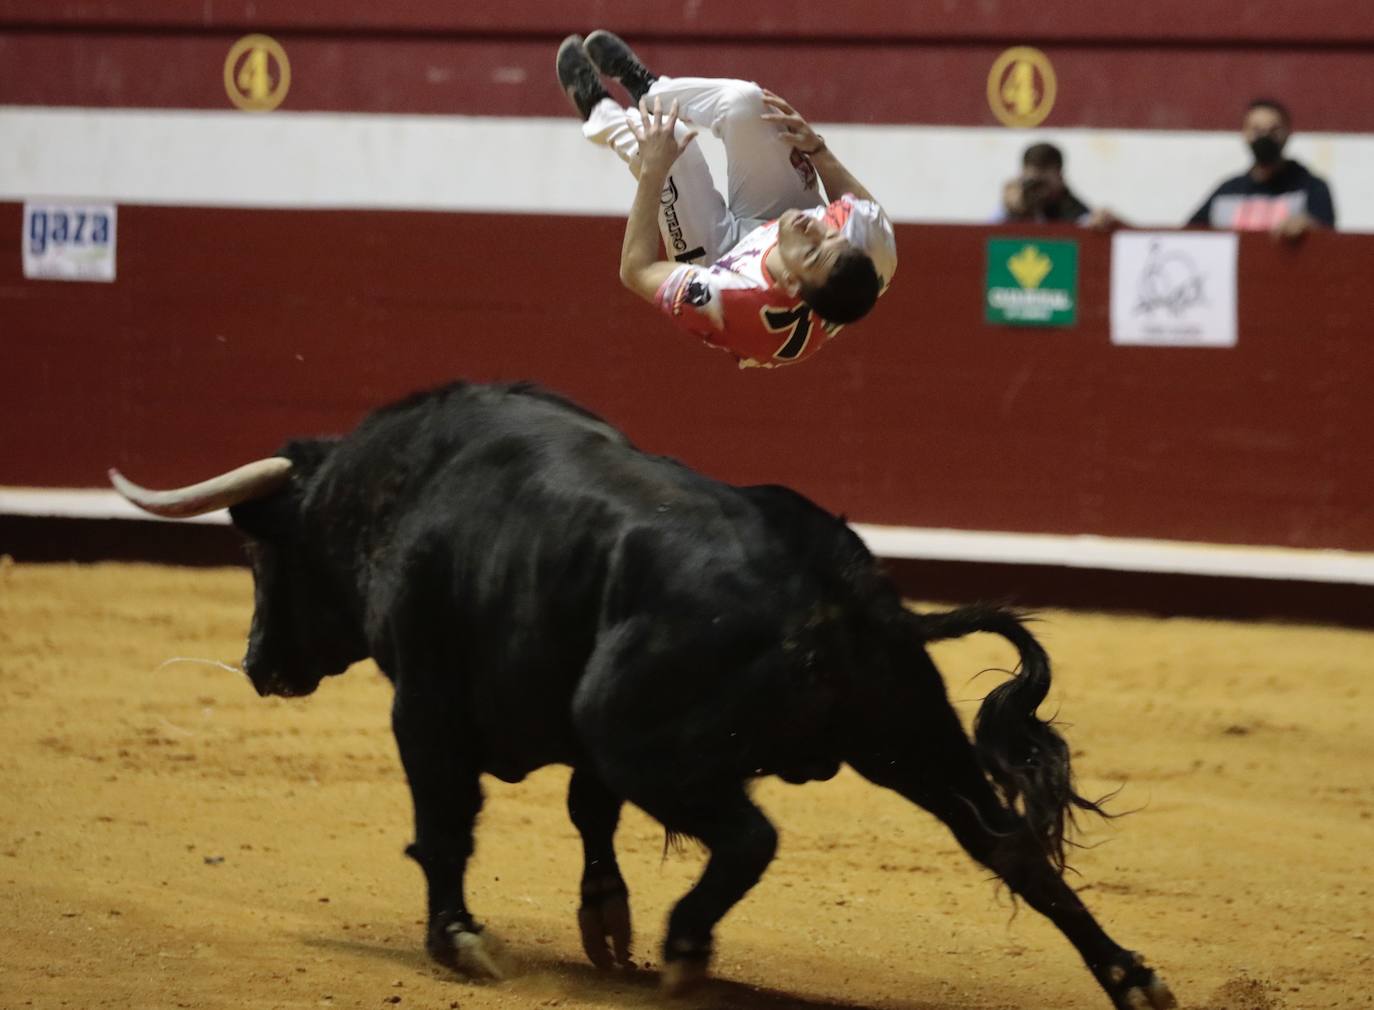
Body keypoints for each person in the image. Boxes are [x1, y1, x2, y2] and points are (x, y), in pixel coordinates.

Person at [556, 31, 896, 369]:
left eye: (811, 251)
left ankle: (600, 112)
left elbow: (636, 270)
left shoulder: (725, 299)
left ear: (791, 283)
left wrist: (652, 172)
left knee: (667, 140)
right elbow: (858, 213)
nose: (813, 228)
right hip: (777, 231)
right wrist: (818, 151)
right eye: (830, 235)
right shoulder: (867, 243)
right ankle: (653, 91)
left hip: (720, 256)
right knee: (745, 102)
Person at [1187, 98, 1336, 241]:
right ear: (1245, 134)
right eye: (1256, 130)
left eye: (1274, 130)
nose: (1265, 137)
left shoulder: (1312, 188)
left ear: (1288, 132)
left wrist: (1308, 226)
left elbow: (1328, 237)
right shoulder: (1226, 192)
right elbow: (1188, 235)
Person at [996, 142, 1120, 230]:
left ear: (1059, 177)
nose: (1038, 191)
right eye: (1033, 184)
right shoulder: (1015, 205)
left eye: (1043, 183)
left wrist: (1099, 221)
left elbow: (1084, 223)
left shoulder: (1070, 208)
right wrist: (1009, 209)